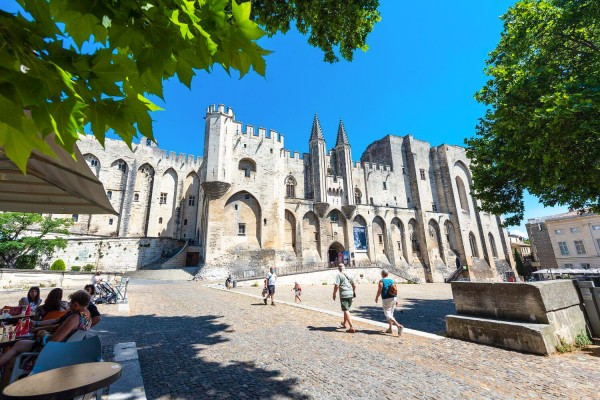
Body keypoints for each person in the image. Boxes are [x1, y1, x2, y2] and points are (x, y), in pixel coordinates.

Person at [0, 290, 92, 371]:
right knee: (19, 345)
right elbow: (59, 325)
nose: (69, 304)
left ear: (76, 304)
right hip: (69, 350)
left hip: (54, 353)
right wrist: (38, 326)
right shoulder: (87, 316)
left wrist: (42, 333)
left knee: (16, 350)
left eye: (70, 303)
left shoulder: (74, 318)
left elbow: (54, 341)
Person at [375, 269, 404, 336]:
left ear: (382, 274)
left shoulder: (381, 281)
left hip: (386, 299)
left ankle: (398, 326)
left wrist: (376, 297)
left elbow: (379, 290)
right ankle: (390, 329)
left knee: (388, 314)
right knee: (391, 314)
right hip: (393, 298)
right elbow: (394, 289)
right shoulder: (391, 280)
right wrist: (396, 299)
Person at [333, 264, 356, 333]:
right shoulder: (350, 275)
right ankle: (344, 323)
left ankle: (351, 327)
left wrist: (334, 294)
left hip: (344, 294)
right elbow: (354, 285)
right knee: (346, 309)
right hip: (350, 294)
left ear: (339, 269)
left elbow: (336, 286)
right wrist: (353, 292)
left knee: (346, 310)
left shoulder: (339, 275)